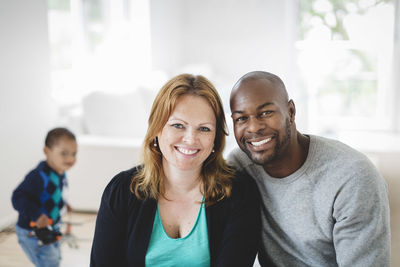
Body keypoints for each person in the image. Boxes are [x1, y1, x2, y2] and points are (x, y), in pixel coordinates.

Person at [90, 73, 261, 267]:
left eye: (204, 129)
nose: (190, 139)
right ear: (157, 129)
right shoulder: (121, 190)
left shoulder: (240, 192)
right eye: (178, 125)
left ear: (216, 138)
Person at [227, 71, 391, 267]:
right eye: (241, 118)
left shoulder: (353, 177)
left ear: (291, 112)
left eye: (266, 113)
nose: (253, 127)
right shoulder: (240, 166)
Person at [12, 127, 78, 267]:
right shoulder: (38, 176)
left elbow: (53, 193)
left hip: (51, 227)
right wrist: (36, 215)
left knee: (55, 257)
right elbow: (17, 196)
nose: (70, 159)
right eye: (64, 153)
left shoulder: (59, 171)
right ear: (47, 151)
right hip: (32, 231)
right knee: (49, 261)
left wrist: (63, 204)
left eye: (74, 154)